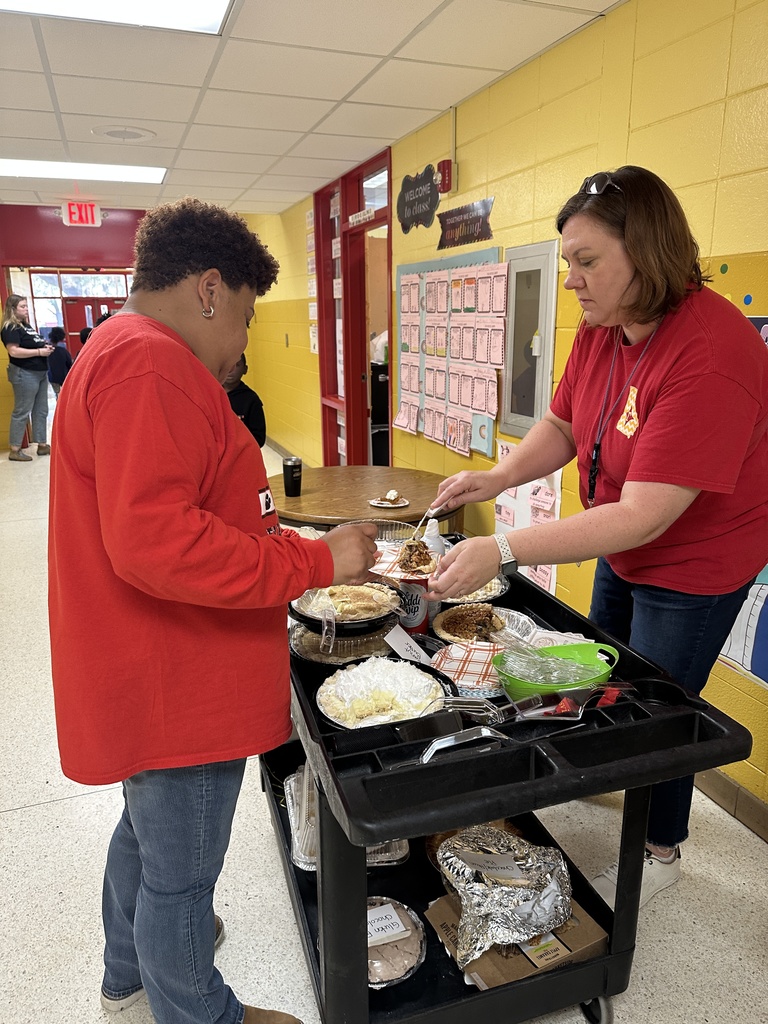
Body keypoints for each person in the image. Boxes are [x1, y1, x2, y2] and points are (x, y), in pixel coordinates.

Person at [47, 197, 378, 1024]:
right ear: (207, 290)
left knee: (147, 840)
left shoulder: (122, 352)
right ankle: (201, 1010)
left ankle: (130, 970)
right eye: (245, 316)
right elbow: (157, 543)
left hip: (151, 668)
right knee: (183, 875)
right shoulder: (149, 365)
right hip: (178, 686)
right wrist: (316, 560)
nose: (241, 342)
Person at [427, 165, 768, 909]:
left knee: (662, 703)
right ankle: (611, 779)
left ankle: (661, 846)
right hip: (623, 538)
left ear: (644, 254)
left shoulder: (712, 352)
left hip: (696, 560)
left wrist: (504, 548)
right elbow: (562, 424)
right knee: (603, 676)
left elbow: (647, 512)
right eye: (567, 262)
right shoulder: (605, 326)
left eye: (587, 262)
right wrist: (495, 479)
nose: (572, 280)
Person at [1, 293, 54, 460]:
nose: (26, 309)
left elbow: (31, 343)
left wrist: (45, 348)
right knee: (22, 410)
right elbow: (13, 351)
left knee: (41, 409)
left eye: (26, 306)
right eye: (22, 307)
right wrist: (39, 351)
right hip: (24, 373)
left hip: (40, 372)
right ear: (12, 309)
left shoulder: (26, 326)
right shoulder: (10, 327)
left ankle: (42, 444)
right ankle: (15, 449)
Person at [223, 352, 266, 446]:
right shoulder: (210, 394)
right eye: (227, 365)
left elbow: (259, 438)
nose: (230, 370)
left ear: (245, 369)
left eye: (237, 365)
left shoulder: (251, 399)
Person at [46, 325, 73, 398]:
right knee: (66, 394)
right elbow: (69, 364)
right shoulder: (63, 351)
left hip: (52, 377)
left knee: (57, 394)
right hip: (64, 376)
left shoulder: (46, 350)